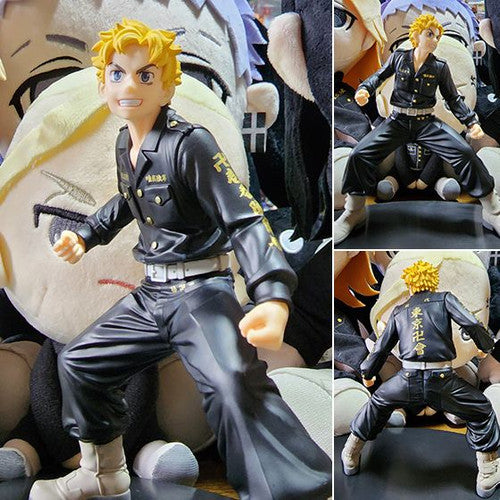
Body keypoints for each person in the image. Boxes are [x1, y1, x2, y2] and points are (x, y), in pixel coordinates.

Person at [28, 19, 332, 500]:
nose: (129, 86)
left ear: (167, 86)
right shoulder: (125, 143)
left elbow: (245, 218)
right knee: (81, 362)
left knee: (232, 385)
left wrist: (272, 295)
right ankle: (103, 473)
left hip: (200, 293)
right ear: (102, 85)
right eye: (117, 74)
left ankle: (293, 490)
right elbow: (128, 200)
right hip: (152, 295)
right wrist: (86, 235)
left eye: (145, 75)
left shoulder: (192, 144)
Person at [335, 13, 500, 244]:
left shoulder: (440, 66)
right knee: (360, 154)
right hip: (397, 121)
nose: (435, 40)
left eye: (437, 36)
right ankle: (354, 211)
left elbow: (453, 98)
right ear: (416, 35)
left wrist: (471, 122)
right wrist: (365, 90)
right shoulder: (399, 58)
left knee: (464, 153)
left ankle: (493, 209)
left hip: (426, 123)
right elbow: (379, 76)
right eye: (430, 34)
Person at [341, 259, 500, 498]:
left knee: (376, 404)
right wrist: (486, 345)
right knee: (482, 410)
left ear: (410, 283)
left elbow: (381, 348)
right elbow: (470, 322)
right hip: (442, 379)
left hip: (406, 379)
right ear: (432, 281)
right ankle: (488, 472)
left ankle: (351, 453)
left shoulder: (400, 310)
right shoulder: (445, 299)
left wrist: (367, 372)